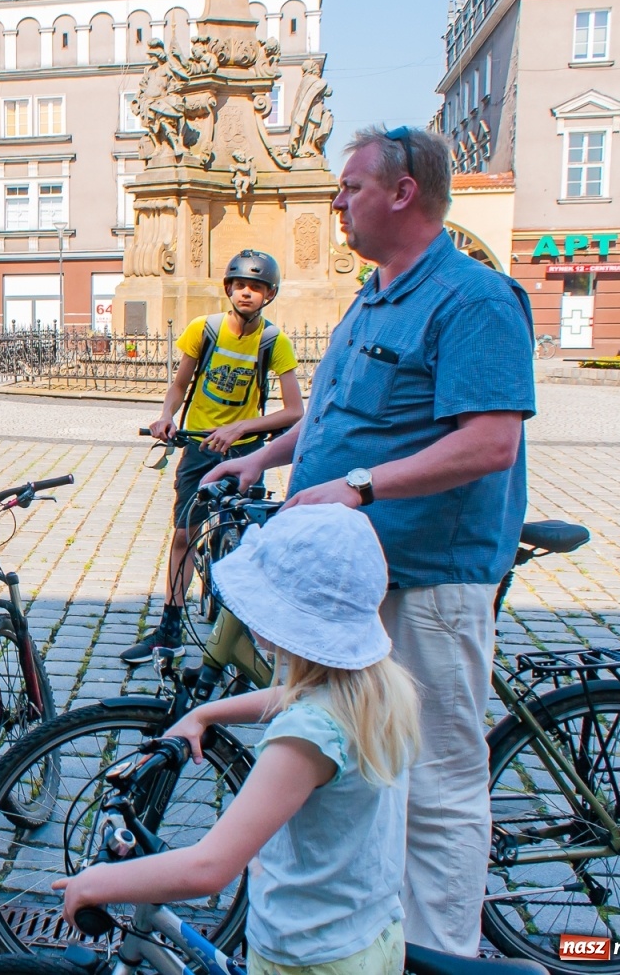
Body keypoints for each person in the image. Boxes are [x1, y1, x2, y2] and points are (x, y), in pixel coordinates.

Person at [205, 125, 535, 955]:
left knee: (437, 783)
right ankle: (370, 939)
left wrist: (361, 485)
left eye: (351, 187)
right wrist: (263, 459)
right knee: (363, 764)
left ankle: (438, 957)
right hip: (352, 579)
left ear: (403, 192)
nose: (336, 201)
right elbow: (335, 410)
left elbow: (492, 440)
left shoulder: (474, 298)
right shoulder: (375, 293)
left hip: (424, 577)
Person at [57, 503, 420, 975]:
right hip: (370, 936)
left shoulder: (305, 739)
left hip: (306, 960)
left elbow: (209, 867)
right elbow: (298, 696)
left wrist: (100, 882)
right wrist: (208, 712)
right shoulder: (378, 689)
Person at [124, 249, 304, 665]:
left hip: (244, 452)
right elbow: (178, 386)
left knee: (244, 538)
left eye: (256, 288)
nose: (247, 293)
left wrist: (243, 427)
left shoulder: (274, 341)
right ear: (228, 288)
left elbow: (295, 411)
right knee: (185, 534)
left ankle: (239, 630)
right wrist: (166, 417)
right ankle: (169, 628)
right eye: (240, 285)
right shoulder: (203, 330)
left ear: (269, 295)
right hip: (199, 446)